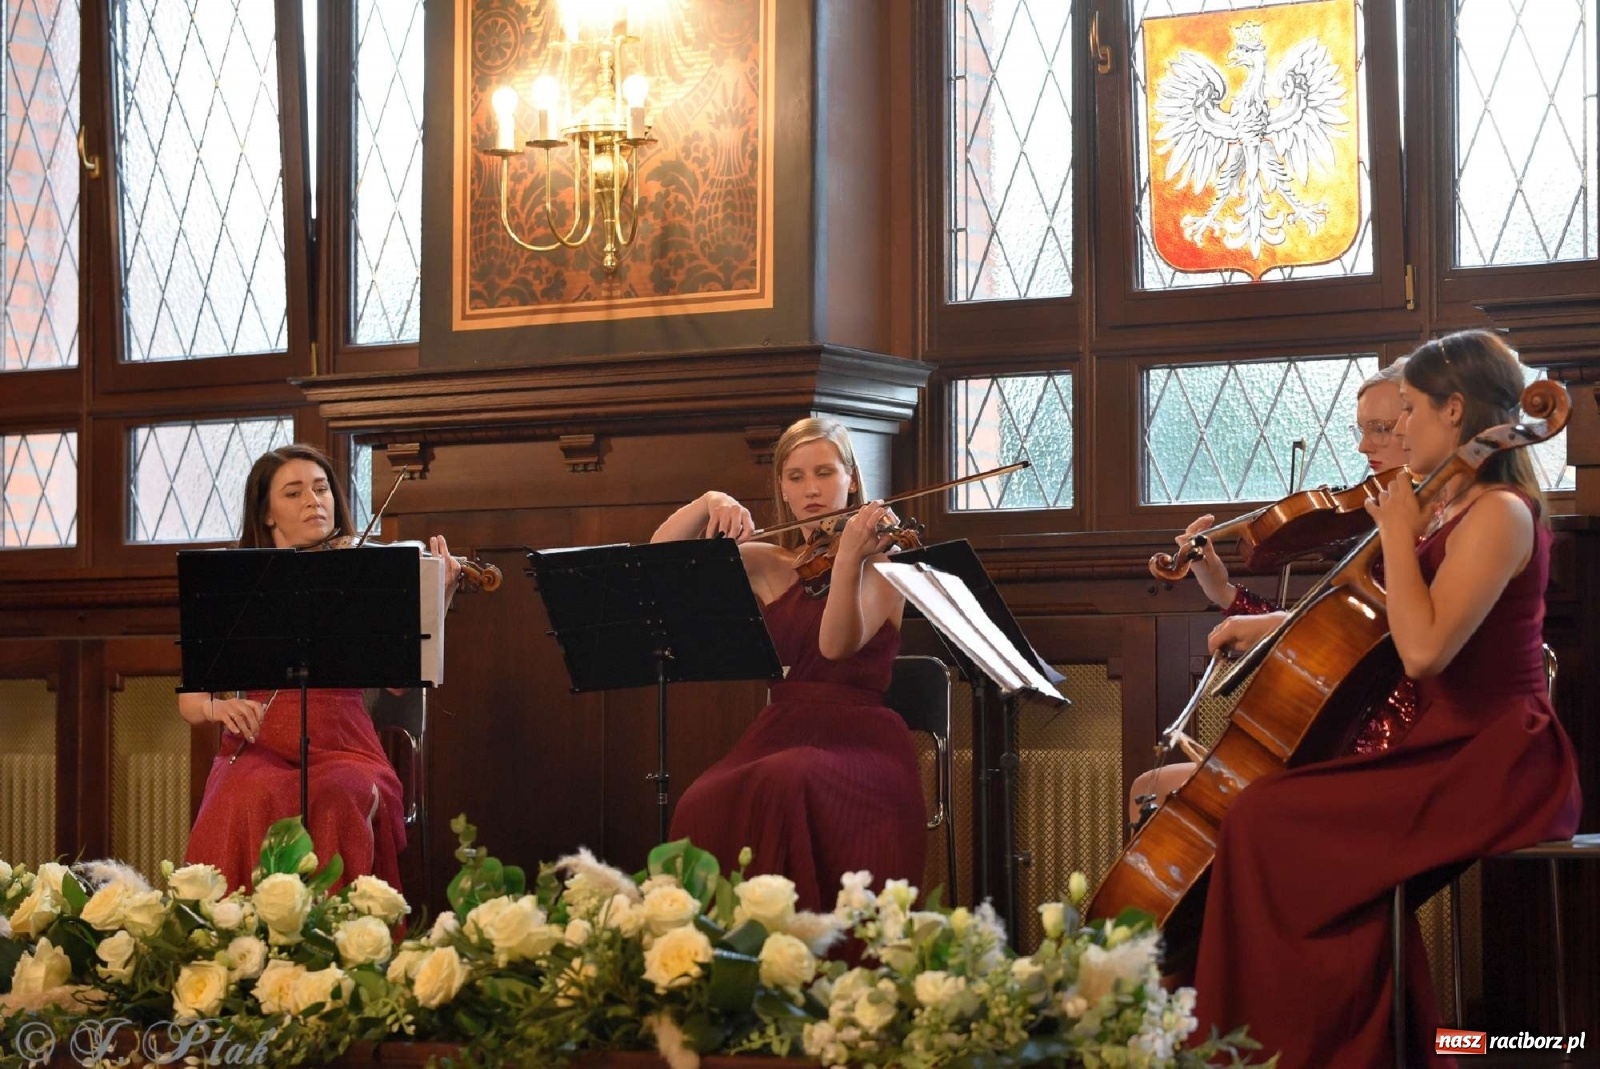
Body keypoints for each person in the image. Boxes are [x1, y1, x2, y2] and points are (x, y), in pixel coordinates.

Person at [1190, 331, 1581, 1067]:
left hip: (1498, 757)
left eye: (1408, 410)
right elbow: (1379, 628)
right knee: (1269, 821)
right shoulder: (1447, 505)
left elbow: (1424, 650)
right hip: (1445, 742)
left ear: (1455, 410)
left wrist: (1398, 535)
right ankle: (1338, 1042)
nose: (1399, 429)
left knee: (1266, 821)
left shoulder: (1501, 511)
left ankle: (1339, 1048)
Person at [651, 417, 926, 911]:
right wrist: (706, 503)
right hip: (781, 727)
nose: (811, 489)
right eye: (795, 477)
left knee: (787, 778)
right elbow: (658, 565)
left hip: (859, 740)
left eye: (824, 473)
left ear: (852, 481)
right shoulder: (775, 564)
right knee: (701, 798)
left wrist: (848, 561)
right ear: (781, 487)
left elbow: (835, 646)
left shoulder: (884, 567)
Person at [1128, 359, 1414, 823]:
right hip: (1340, 727)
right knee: (1155, 789)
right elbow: (1327, 622)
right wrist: (1222, 590)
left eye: (1382, 429)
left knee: (1159, 792)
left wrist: (1271, 626)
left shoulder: (1421, 528)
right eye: (1360, 430)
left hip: (1376, 741)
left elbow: (1375, 634)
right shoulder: (1387, 519)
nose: (1365, 447)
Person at [179, 444, 461, 894]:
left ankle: (340, 941)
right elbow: (192, 700)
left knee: (338, 795)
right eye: (294, 493)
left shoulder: (364, 574)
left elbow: (403, 683)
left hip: (345, 744)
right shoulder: (233, 582)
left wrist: (439, 598)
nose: (314, 501)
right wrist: (220, 710)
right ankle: (236, 941)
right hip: (258, 747)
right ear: (267, 513)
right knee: (246, 796)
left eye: (322, 488)